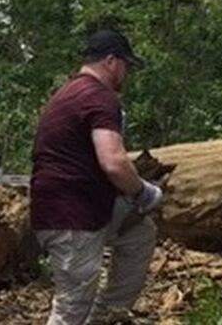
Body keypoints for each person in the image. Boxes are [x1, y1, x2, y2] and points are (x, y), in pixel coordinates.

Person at [31, 28, 163, 325]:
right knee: (72, 305)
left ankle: (104, 317)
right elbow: (114, 161)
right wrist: (144, 192)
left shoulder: (70, 92)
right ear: (112, 61)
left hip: (81, 206)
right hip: (71, 215)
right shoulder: (99, 97)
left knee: (139, 231)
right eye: (126, 66)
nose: (125, 74)